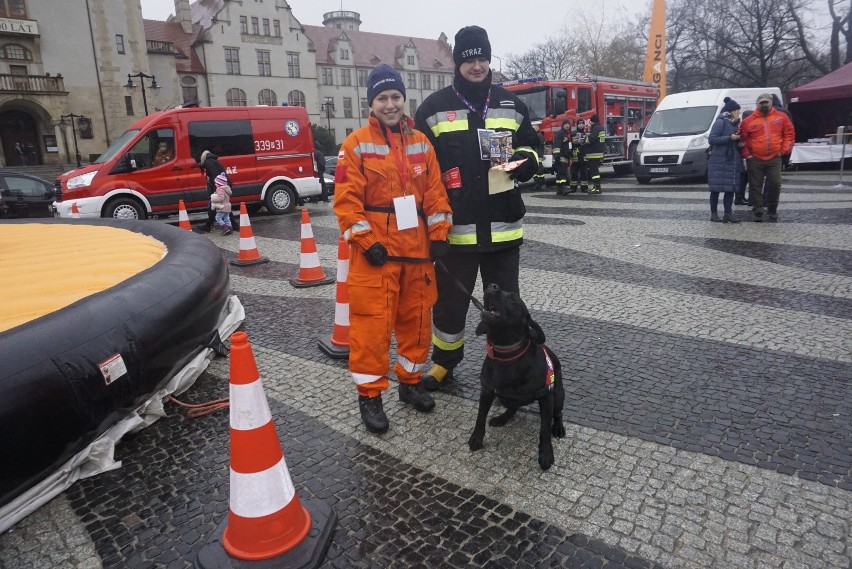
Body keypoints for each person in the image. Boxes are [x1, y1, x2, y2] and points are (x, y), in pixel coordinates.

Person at [414, 25, 541, 391]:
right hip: (455, 232)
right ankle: (444, 363)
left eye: (483, 58)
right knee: (449, 307)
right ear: (458, 63)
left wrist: (523, 162)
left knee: (505, 309)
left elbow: (533, 149)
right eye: (470, 59)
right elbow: (420, 168)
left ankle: (506, 366)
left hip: (503, 229)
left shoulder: (510, 103)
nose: (477, 66)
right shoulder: (435, 108)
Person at [333, 63, 453, 433]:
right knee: (372, 326)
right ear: (371, 103)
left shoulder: (421, 143)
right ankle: (369, 396)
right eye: (382, 98)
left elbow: (435, 194)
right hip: (376, 256)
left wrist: (439, 235)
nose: (390, 104)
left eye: (395, 97)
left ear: (404, 99)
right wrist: (367, 243)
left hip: (416, 252)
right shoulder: (354, 145)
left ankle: (410, 383)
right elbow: (346, 203)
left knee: (416, 320)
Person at [740, 93, 795, 222]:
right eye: (761, 103)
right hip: (755, 158)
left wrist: (784, 150)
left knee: (775, 183)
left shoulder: (781, 117)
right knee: (755, 185)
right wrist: (747, 155)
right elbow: (743, 139)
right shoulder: (748, 121)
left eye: (766, 102)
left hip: (775, 157)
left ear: (771, 103)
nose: (764, 105)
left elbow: (789, 134)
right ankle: (758, 210)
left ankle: (772, 209)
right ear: (757, 104)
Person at [707, 97, 743, 223]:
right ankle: (714, 214)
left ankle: (728, 213)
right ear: (732, 111)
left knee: (730, 188)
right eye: (738, 110)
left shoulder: (735, 124)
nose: (739, 113)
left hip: (731, 160)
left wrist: (739, 143)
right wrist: (730, 138)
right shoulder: (721, 122)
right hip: (719, 160)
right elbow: (712, 139)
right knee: (716, 188)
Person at [198, 150, 238, 232]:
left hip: (220, 187)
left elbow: (215, 176)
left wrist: (216, 190)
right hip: (223, 186)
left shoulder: (208, 163)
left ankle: (209, 226)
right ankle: (209, 226)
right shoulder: (212, 160)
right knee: (220, 206)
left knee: (219, 206)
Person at [582, 114, 606, 194]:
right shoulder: (600, 128)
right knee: (595, 171)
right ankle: (596, 187)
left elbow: (590, 139)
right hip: (598, 152)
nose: (590, 123)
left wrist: (585, 139)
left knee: (594, 171)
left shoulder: (595, 128)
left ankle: (597, 187)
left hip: (593, 153)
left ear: (593, 121)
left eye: (591, 121)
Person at [552, 119, 572, 195]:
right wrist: (557, 157)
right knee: (562, 174)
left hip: (565, 157)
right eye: (565, 124)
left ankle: (559, 189)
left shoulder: (566, 133)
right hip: (561, 157)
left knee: (559, 174)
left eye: (568, 124)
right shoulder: (560, 133)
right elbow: (557, 146)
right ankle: (563, 189)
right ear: (562, 125)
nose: (567, 125)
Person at [569, 118, 587, 194]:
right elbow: (569, 144)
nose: (581, 125)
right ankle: (573, 188)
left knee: (584, 172)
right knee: (574, 172)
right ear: (577, 125)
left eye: (582, 123)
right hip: (575, 155)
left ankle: (584, 188)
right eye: (579, 124)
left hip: (583, 155)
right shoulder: (573, 133)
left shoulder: (586, 133)